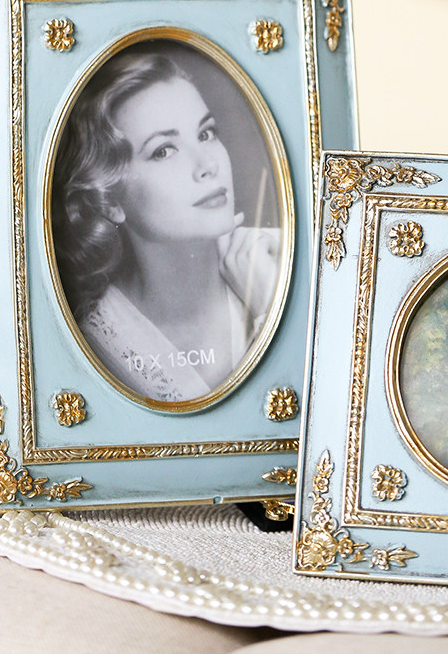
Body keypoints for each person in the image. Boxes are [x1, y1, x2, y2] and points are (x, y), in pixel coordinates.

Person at [51, 44, 279, 403]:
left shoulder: (275, 261)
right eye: (163, 151)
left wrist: (269, 306)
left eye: (206, 134)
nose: (208, 164)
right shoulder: (95, 346)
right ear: (110, 201)